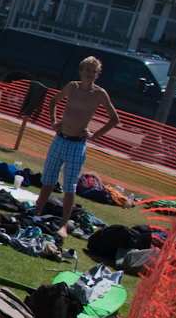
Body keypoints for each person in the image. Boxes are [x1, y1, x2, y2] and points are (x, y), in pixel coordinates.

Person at [36, 56, 119, 236]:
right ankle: (36, 214)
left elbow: (114, 119)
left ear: (97, 75)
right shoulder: (72, 86)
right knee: (48, 181)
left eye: (93, 72)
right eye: (87, 70)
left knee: (69, 187)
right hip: (59, 139)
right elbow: (53, 101)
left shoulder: (99, 94)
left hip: (77, 145)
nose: (89, 74)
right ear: (81, 71)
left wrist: (94, 135)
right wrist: (53, 121)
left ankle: (64, 225)